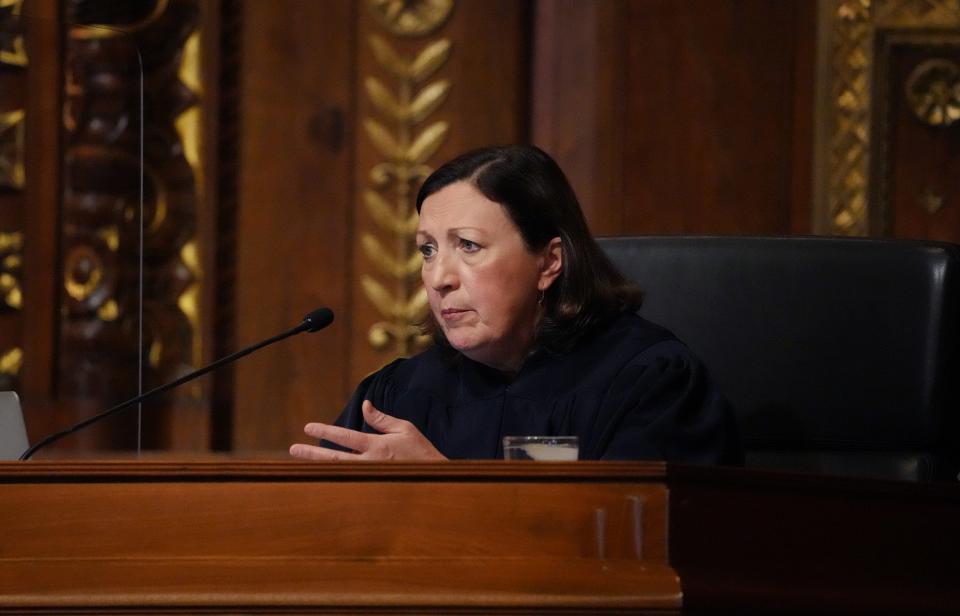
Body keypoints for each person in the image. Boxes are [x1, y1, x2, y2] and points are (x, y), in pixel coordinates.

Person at [289, 145, 741, 462]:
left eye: (468, 245)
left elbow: (628, 549)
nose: (439, 278)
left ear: (548, 262)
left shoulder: (648, 384)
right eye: (427, 250)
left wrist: (439, 492)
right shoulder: (399, 397)